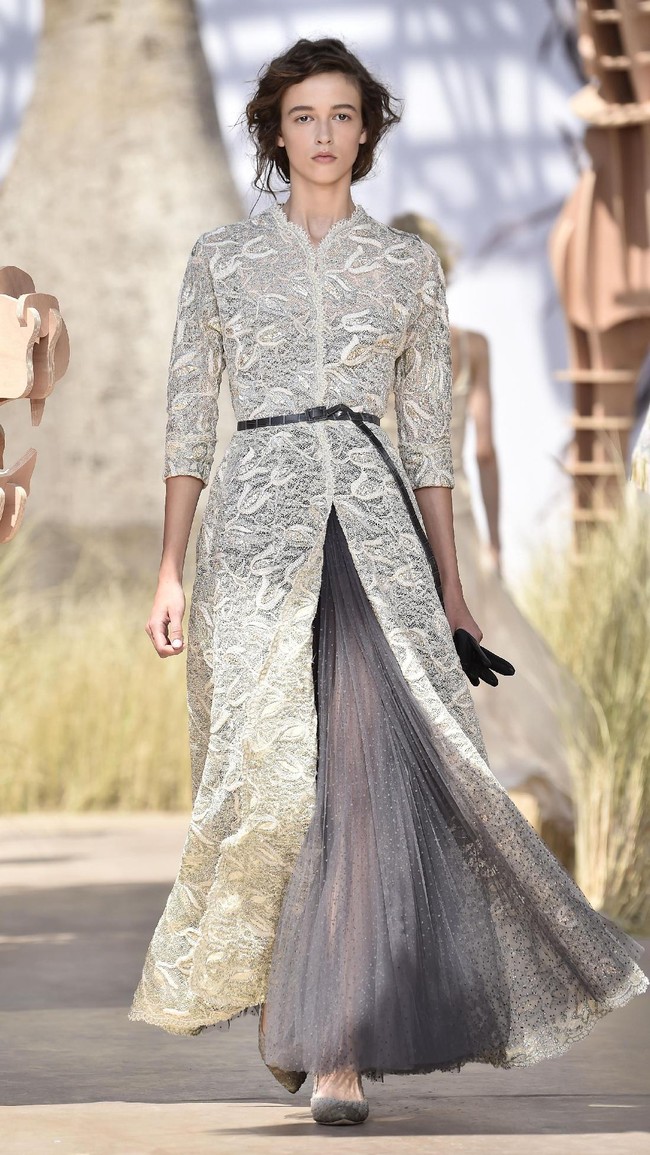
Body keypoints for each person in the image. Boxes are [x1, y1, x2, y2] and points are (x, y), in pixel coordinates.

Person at [129, 37, 648, 1128]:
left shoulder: (408, 271)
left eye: (342, 116)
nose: (323, 134)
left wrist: (452, 591)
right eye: (304, 116)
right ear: (276, 130)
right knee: (272, 785)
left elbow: (426, 450)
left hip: (371, 540)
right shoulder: (220, 259)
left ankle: (341, 1050)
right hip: (255, 538)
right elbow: (186, 425)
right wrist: (169, 569)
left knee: (369, 782)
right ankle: (297, 1008)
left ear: (367, 134)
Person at [387, 212, 576, 858]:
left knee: (418, 663)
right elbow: (486, 450)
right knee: (484, 668)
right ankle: (498, 800)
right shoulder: (471, 345)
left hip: (406, 520)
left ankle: (441, 807)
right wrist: (492, 541)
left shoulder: (387, 347)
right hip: (460, 520)